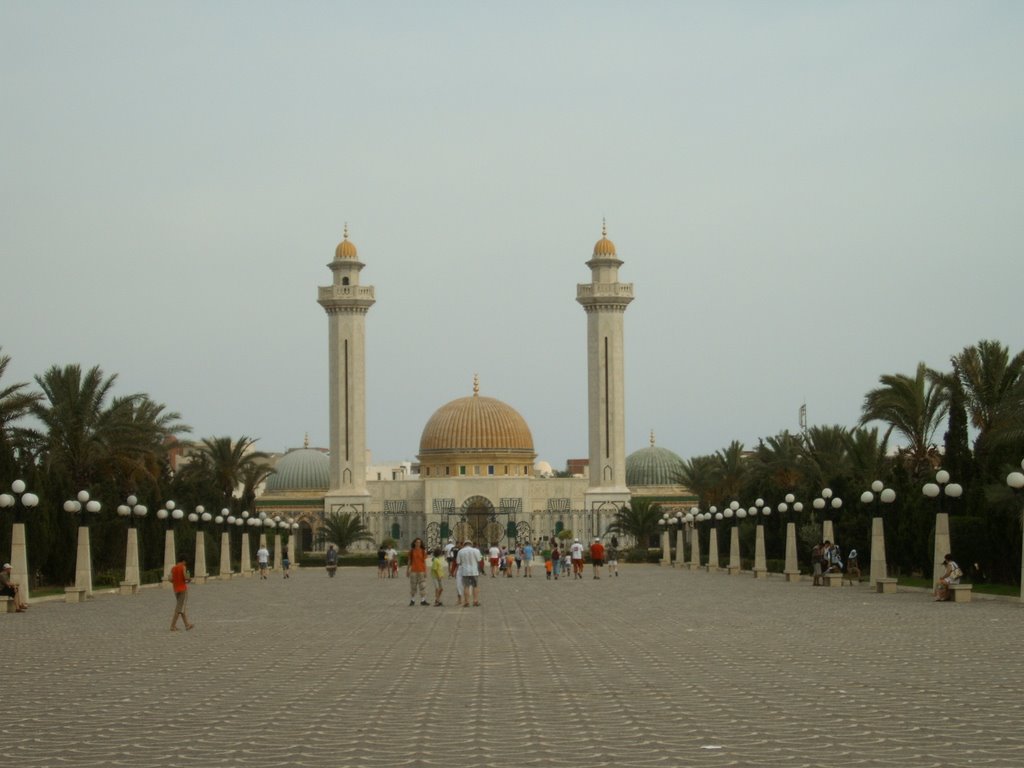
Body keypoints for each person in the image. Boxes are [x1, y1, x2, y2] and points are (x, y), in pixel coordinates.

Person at [169, 554, 195, 631]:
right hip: (182, 589)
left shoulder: (173, 568)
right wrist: (189, 579)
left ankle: (187, 625)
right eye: (185, 562)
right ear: (183, 561)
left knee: (181, 607)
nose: (185, 563)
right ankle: (172, 626)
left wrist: (176, 581)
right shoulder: (182, 567)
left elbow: (170, 579)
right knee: (179, 608)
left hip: (176, 589)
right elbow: (185, 577)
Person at [457, 539, 483, 607]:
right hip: (474, 571)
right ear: (471, 544)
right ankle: (475, 601)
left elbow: (458, 562)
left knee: (466, 586)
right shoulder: (476, 550)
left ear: (464, 545)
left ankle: (467, 602)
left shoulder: (460, 551)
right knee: (475, 586)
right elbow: (479, 560)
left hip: (465, 571)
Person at [406, 537, 429, 606]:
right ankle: (412, 600)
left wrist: (425, 571)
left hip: (421, 570)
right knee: (413, 585)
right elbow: (409, 561)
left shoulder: (423, 551)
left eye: (419, 542)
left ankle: (423, 600)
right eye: (417, 542)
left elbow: (424, 561)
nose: (418, 543)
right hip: (413, 570)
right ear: (414, 543)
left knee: (422, 585)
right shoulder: (412, 551)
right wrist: (407, 570)